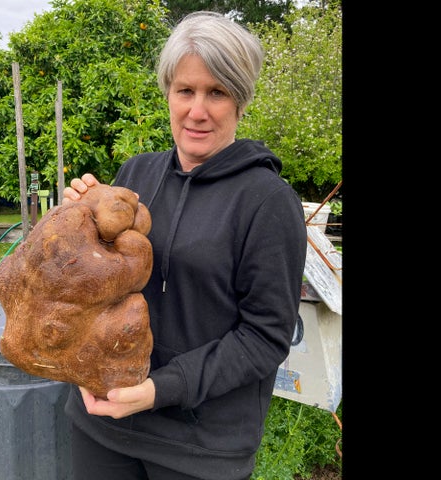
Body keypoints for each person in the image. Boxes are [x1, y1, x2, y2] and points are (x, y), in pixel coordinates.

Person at [61, 11, 307, 480]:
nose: (198, 110)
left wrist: (161, 388)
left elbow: (265, 336)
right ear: (168, 93)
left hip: (201, 448)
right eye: (185, 90)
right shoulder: (136, 174)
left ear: (240, 99)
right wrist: (76, 223)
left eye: (217, 92)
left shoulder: (268, 202)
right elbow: (98, 285)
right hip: (101, 423)